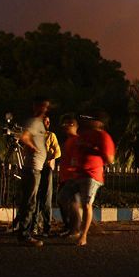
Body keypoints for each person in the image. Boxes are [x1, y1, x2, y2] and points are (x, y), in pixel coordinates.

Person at [68, 111, 115, 246]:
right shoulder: (84, 135)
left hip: (92, 175)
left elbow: (110, 159)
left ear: (100, 122)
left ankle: (83, 236)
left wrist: (94, 149)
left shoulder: (103, 136)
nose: (90, 121)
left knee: (87, 204)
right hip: (78, 173)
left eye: (93, 119)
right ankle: (75, 228)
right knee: (64, 197)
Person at [15, 97, 49, 246]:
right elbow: (25, 137)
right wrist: (33, 147)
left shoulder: (40, 123)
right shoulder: (34, 122)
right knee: (30, 202)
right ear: (37, 107)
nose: (46, 109)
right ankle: (25, 235)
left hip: (36, 168)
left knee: (29, 200)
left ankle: (24, 232)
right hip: (33, 168)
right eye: (44, 106)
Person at [32, 116, 61, 236]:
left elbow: (58, 152)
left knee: (46, 198)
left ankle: (46, 227)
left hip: (47, 168)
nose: (48, 123)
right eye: (45, 121)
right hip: (36, 167)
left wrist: (49, 158)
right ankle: (34, 226)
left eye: (49, 121)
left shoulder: (51, 135)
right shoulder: (35, 135)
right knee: (35, 198)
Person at [56, 116, 81, 236]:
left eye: (66, 125)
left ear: (73, 125)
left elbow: (76, 159)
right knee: (63, 200)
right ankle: (69, 226)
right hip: (65, 176)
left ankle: (75, 229)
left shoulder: (76, 140)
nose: (64, 127)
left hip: (72, 177)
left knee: (72, 203)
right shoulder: (68, 141)